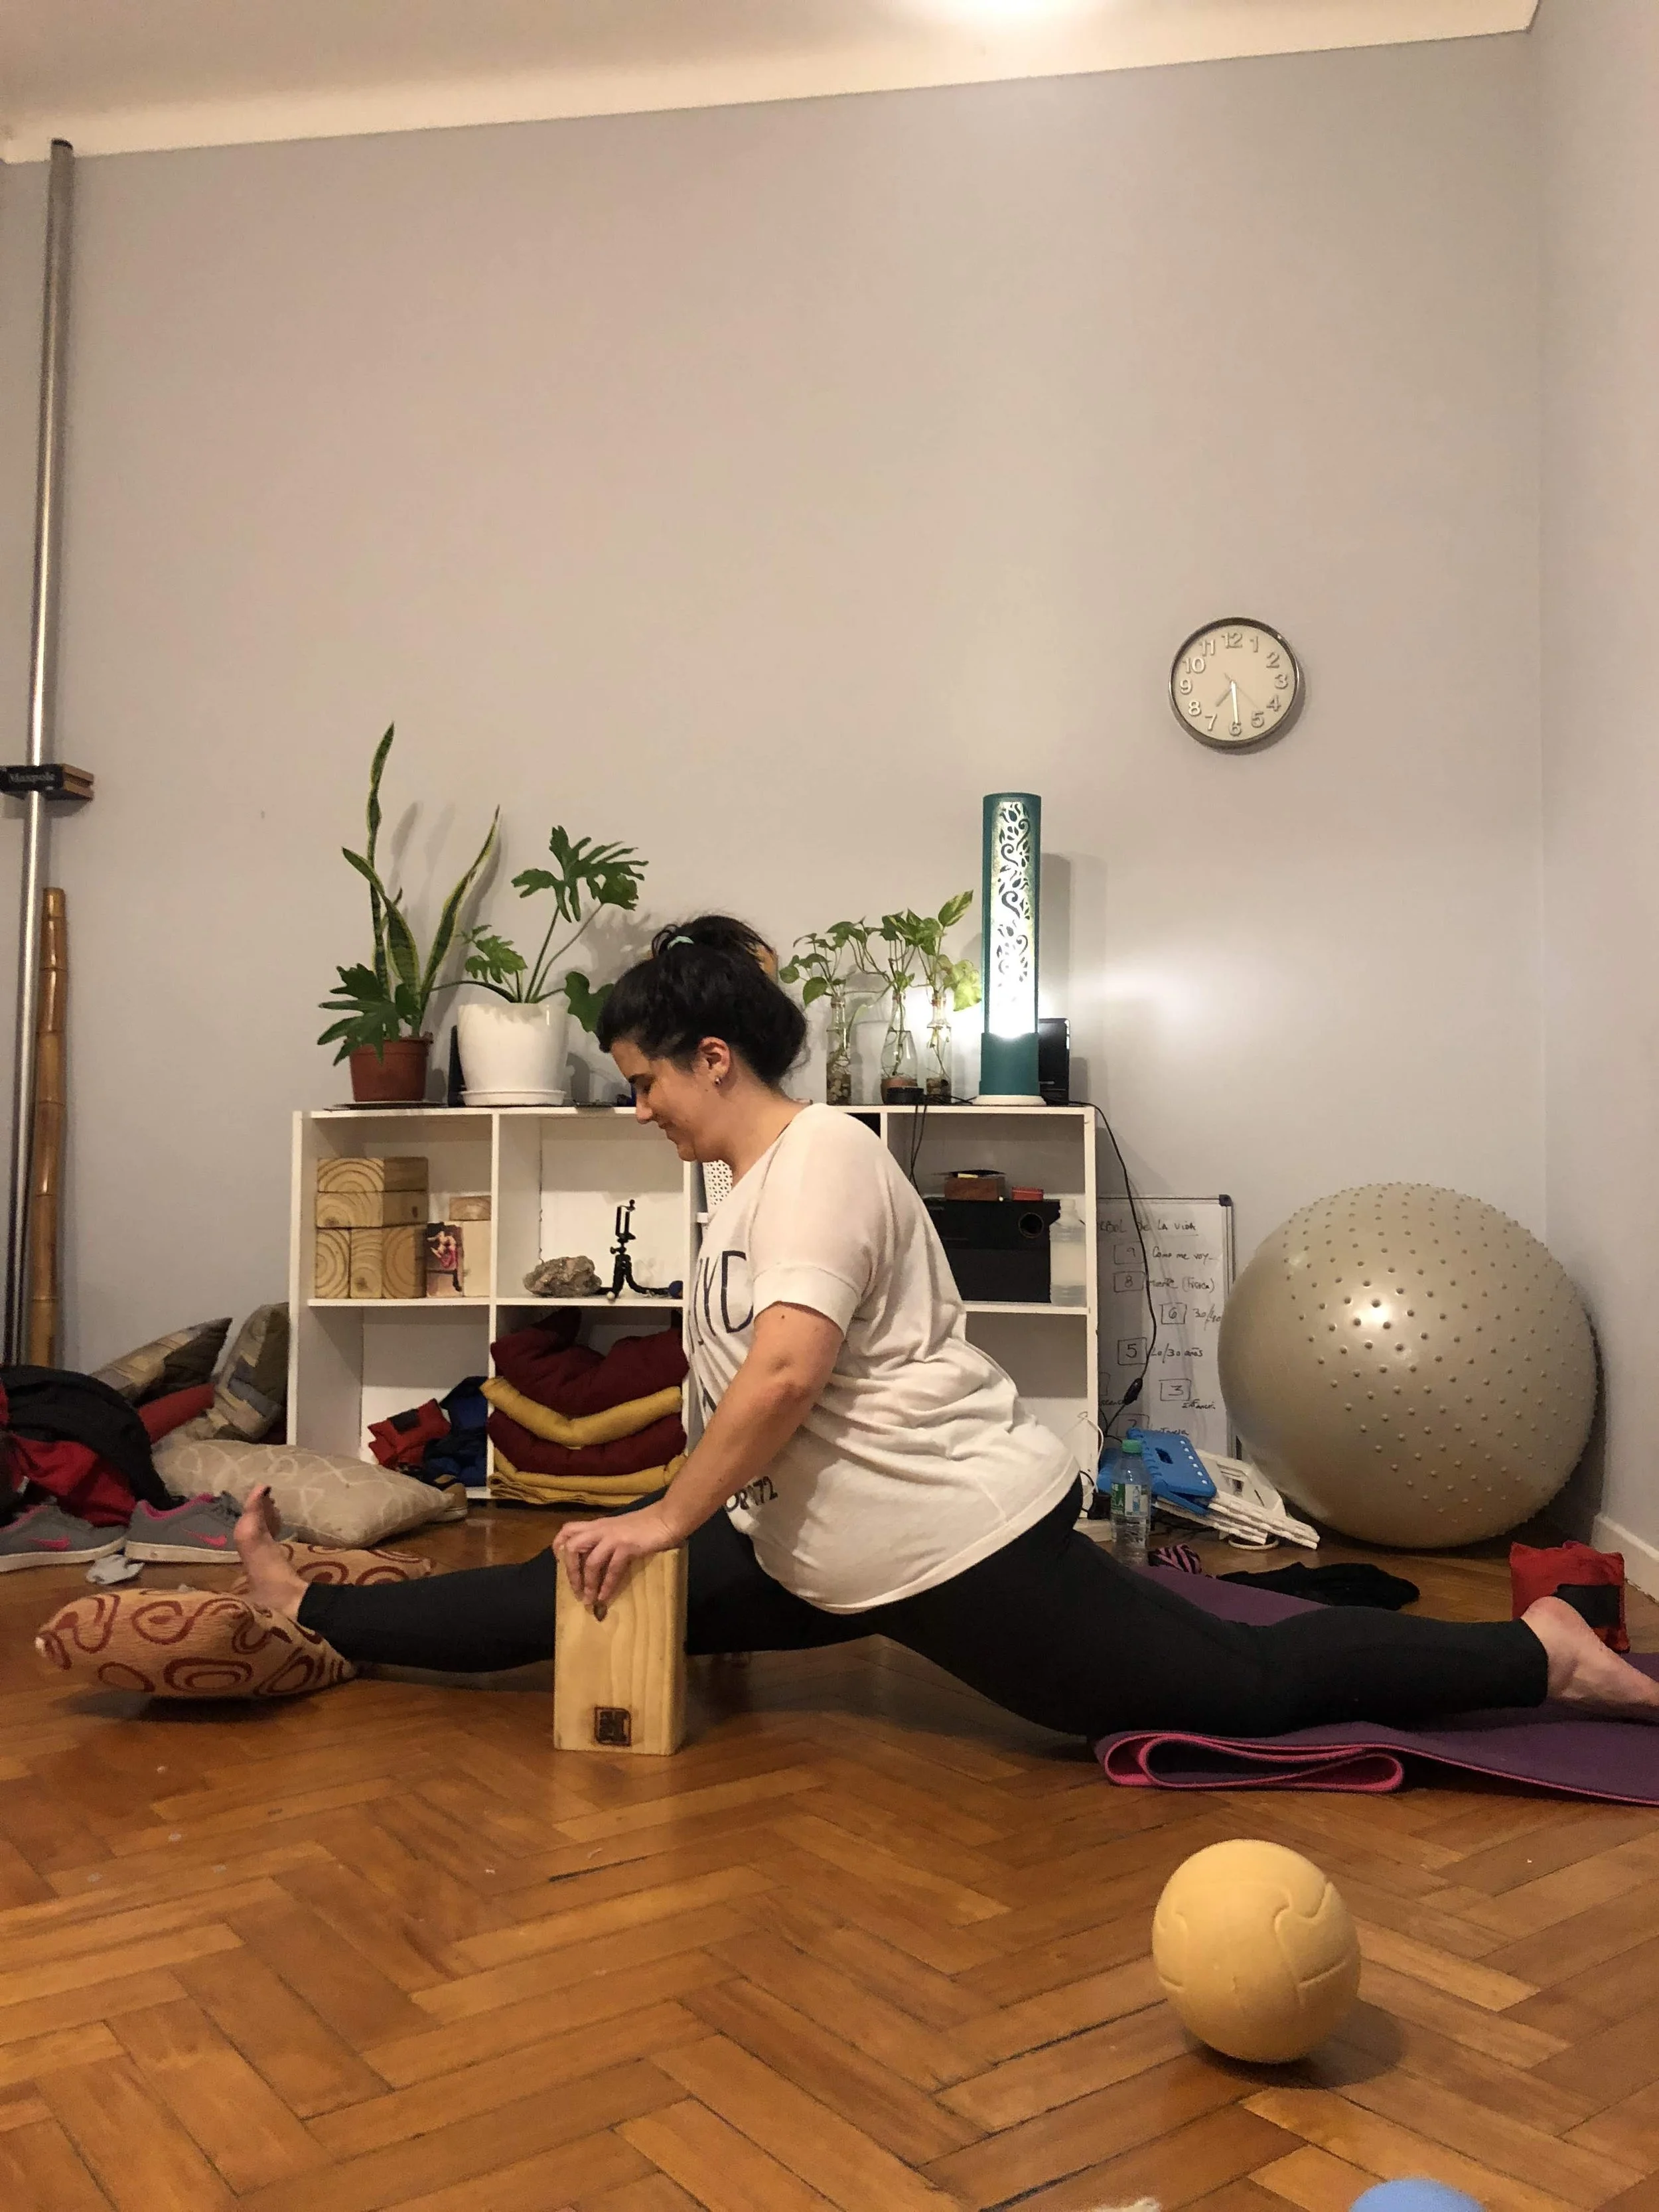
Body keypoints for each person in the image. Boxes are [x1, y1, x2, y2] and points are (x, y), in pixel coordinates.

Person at [235, 915, 1659, 1737]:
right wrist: (663, 1527)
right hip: (811, 1544)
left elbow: (787, 1372)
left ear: (711, 1059)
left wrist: (671, 1512)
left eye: (643, 1080)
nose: (638, 1106)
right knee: (578, 1575)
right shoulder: (737, 1190)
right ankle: (314, 1613)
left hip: (940, 1540)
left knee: (1230, 1688)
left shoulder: (826, 1159)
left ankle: (1538, 1652)